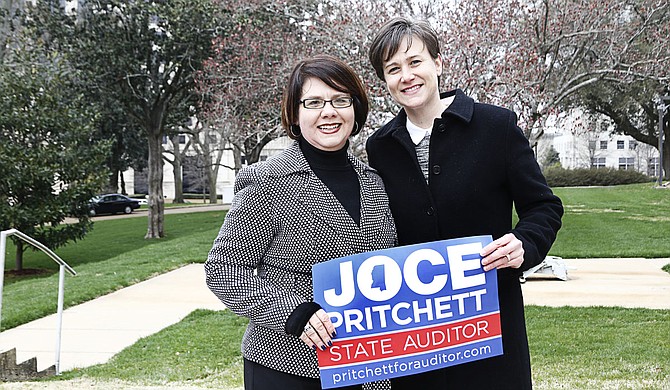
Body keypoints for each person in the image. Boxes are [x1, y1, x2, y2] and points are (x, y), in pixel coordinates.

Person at [366, 17, 564, 389]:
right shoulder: (380, 147)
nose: (406, 76)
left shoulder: (496, 127)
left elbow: (544, 207)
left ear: (438, 63)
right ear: (386, 82)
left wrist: (526, 242)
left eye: (415, 62)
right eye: (393, 69)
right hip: (416, 332)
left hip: (491, 324)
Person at [205, 54, 396, 390]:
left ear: (356, 109)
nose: (329, 112)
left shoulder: (374, 182)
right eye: (314, 102)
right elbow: (222, 269)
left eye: (340, 100)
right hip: (288, 368)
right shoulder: (267, 181)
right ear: (295, 113)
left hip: (368, 367)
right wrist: (293, 313)